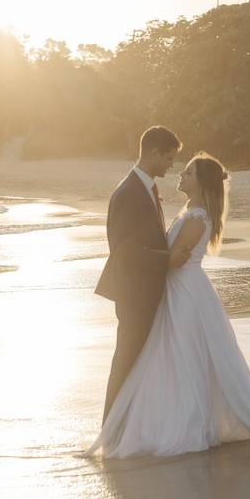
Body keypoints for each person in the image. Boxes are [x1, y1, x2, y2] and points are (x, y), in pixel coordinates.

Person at [87, 151, 250, 458]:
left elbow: (178, 260)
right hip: (177, 290)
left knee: (183, 355)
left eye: (189, 173)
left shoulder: (198, 216)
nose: (181, 174)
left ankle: (187, 423)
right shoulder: (189, 211)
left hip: (185, 293)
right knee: (173, 355)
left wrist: (145, 259)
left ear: (201, 182)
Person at [95, 126, 191, 424]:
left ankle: (133, 424)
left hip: (145, 291)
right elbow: (123, 250)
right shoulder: (128, 192)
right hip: (134, 293)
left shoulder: (147, 186)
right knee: (126, 360)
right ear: (152, 153)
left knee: (140, 361)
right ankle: (110, 429)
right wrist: (168, 260)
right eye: (168, 158)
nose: (171, 165)